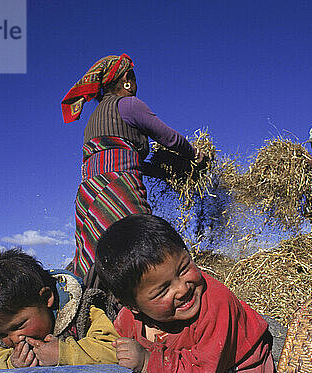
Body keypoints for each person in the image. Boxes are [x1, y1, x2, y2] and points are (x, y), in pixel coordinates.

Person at [61, 54, 207, 287]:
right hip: (118, 190)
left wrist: (165, 173)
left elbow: (117, 159)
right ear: (127, 79)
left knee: (100, 253)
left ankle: (95, 300)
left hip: (88, 195)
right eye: (134, 79)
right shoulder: (128, 104)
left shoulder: (93, 120)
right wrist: (194, 154)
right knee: (142, 244)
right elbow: (167, 137)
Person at [95, 214, 275, 373]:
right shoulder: (128, 319)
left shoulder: (216, 304)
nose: (182, 289)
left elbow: (204, 372)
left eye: (183, 269)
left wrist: (147, 362)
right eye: (163, 290)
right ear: (133, 306)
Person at [0, 248, 119, 369]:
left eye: (19, 326)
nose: (13, 339)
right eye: (1, 333)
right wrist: (12, 363)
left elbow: (113, 349)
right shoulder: (4, 331)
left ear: (46, 298)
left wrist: (62, 353)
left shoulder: (84, 309)